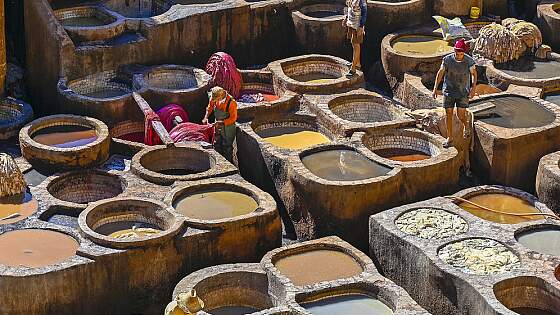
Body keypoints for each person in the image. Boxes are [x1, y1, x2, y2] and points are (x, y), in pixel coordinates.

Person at [432, 39, 477, 148]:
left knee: (460, 115)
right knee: (449, 114)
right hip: (449, 91)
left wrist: (473, 88)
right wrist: (435, 88)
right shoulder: (447, 60)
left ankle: (466, 125)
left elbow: (474, 74)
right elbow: (440, 73)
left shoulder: (469, 61)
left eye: (461, 54)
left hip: (463, 92)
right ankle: (450, 137)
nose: (459, 56)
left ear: (464, 53)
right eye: (457, 53)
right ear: (454, 51)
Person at [202, 86, 238, 162]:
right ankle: (218, 161)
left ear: (221, 96)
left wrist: (221, 122)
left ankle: (229, 164)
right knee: (216, 143)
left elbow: (233, 118)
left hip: (228, 127)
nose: (214, 101)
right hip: (218, 125)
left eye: (216, 99)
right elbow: (210, 106)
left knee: (227, 146)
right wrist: (206, 117)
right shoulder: (215, 97)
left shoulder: (231, 103)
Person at [342, 0, 367, 76]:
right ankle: (357, 64)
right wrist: (346, 18)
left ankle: (353, 69)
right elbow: (348, 7)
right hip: (351, 23)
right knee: (353, 43)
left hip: (357, 25)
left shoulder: (361, 1)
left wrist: (361, 27)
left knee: (356, 45)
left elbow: (364, 13)